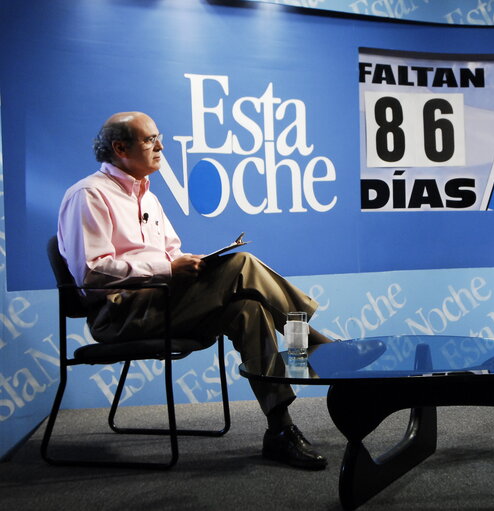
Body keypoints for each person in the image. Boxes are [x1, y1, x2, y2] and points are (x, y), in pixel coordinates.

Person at [57, 111, 333, 470]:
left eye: (159, 136)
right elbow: (91, 272)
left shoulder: (149, 198)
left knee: (248, 309)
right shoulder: (89, 195)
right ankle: (311, 342)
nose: (160, 146)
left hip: (161, 303)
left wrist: (193, 263)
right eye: (149, 139)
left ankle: (279, 430)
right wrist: (167, 268)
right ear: (120, 147)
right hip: (120, 314)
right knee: (243, 264)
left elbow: (170, 253)